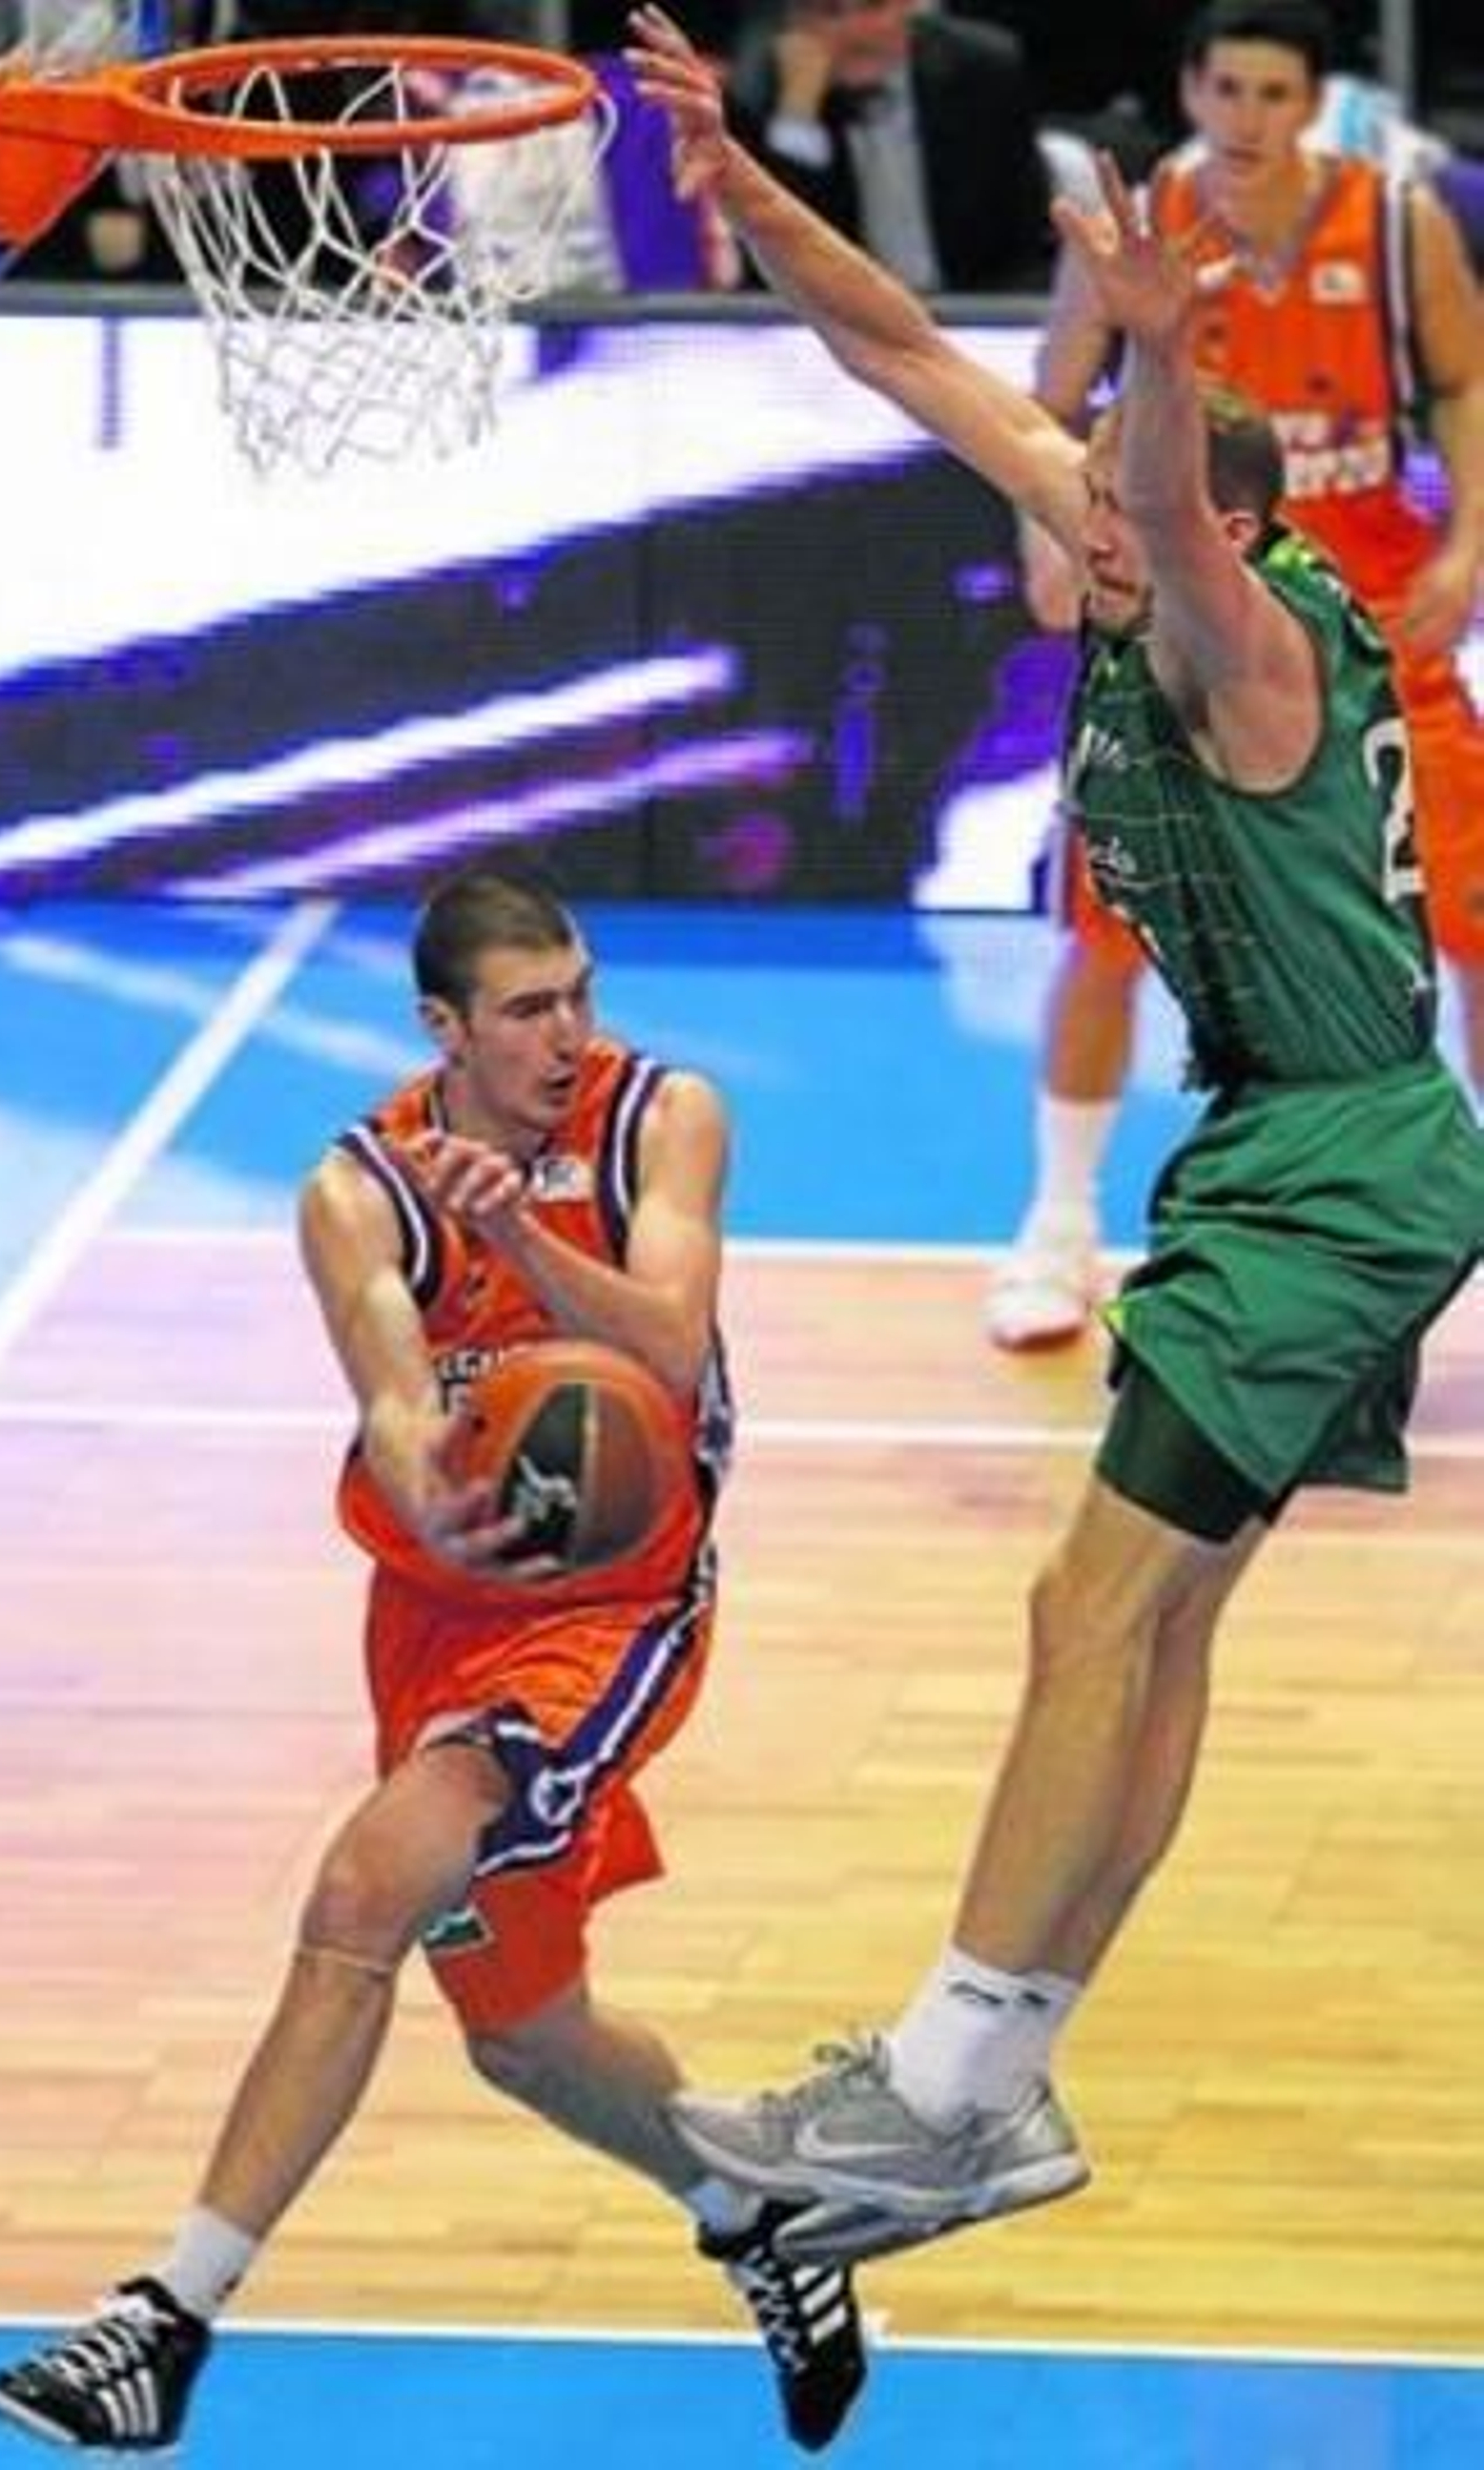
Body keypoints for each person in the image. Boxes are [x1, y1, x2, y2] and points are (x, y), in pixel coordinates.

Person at [626, 6, 1484, 2264]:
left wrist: (1164, 357)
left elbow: (1171, 511)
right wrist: (736, 177)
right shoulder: (1128, 555)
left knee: (1079, 1603)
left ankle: (938, 2080)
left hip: (1337, 1168)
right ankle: (993, 2080)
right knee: (1155, 1621)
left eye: (1099, 494)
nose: (1060, 508)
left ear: (1179, 525)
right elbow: (903, 350)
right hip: (1304, 1158)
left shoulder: (1245, 642)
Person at [0, 868, 867, 2452]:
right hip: (444, 1602)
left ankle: (162, 2320)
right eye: (529, 1008)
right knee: (527, 2033)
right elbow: (394, 1405)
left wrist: (521, 1238)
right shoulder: (359, 1183)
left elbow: (667, 1344)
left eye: (580, 992)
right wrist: (433, 1497)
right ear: (442, 1026)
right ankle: (763, 2212)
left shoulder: (663, 1115)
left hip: (620, 1600)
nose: (568, 1031)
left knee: (359, 1887)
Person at [987, 0, 1484, 1349]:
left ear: (1310, 103)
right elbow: (1056, 384)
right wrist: (1048, 525)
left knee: (1475, 915)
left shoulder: (1393, 223)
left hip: (1370, 622)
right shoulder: (1146, 228)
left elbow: (1467, 385)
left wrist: (1470, 541)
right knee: (1106, 928)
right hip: (1180, 630)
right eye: (1227, 89)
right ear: (1192, 91)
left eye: (1275, 94)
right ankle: (1060, 1223)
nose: (1248, 118)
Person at [727, 0, 1053, 293]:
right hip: (853, 325)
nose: (856, 32)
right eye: (830, 11)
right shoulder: (760, 92)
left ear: (910, 6)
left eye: (874, 6)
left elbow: (1027, 242)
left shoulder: (982, 70)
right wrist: (798, 113)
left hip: (976, 308)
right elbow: (774, 263)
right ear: (796, 22)